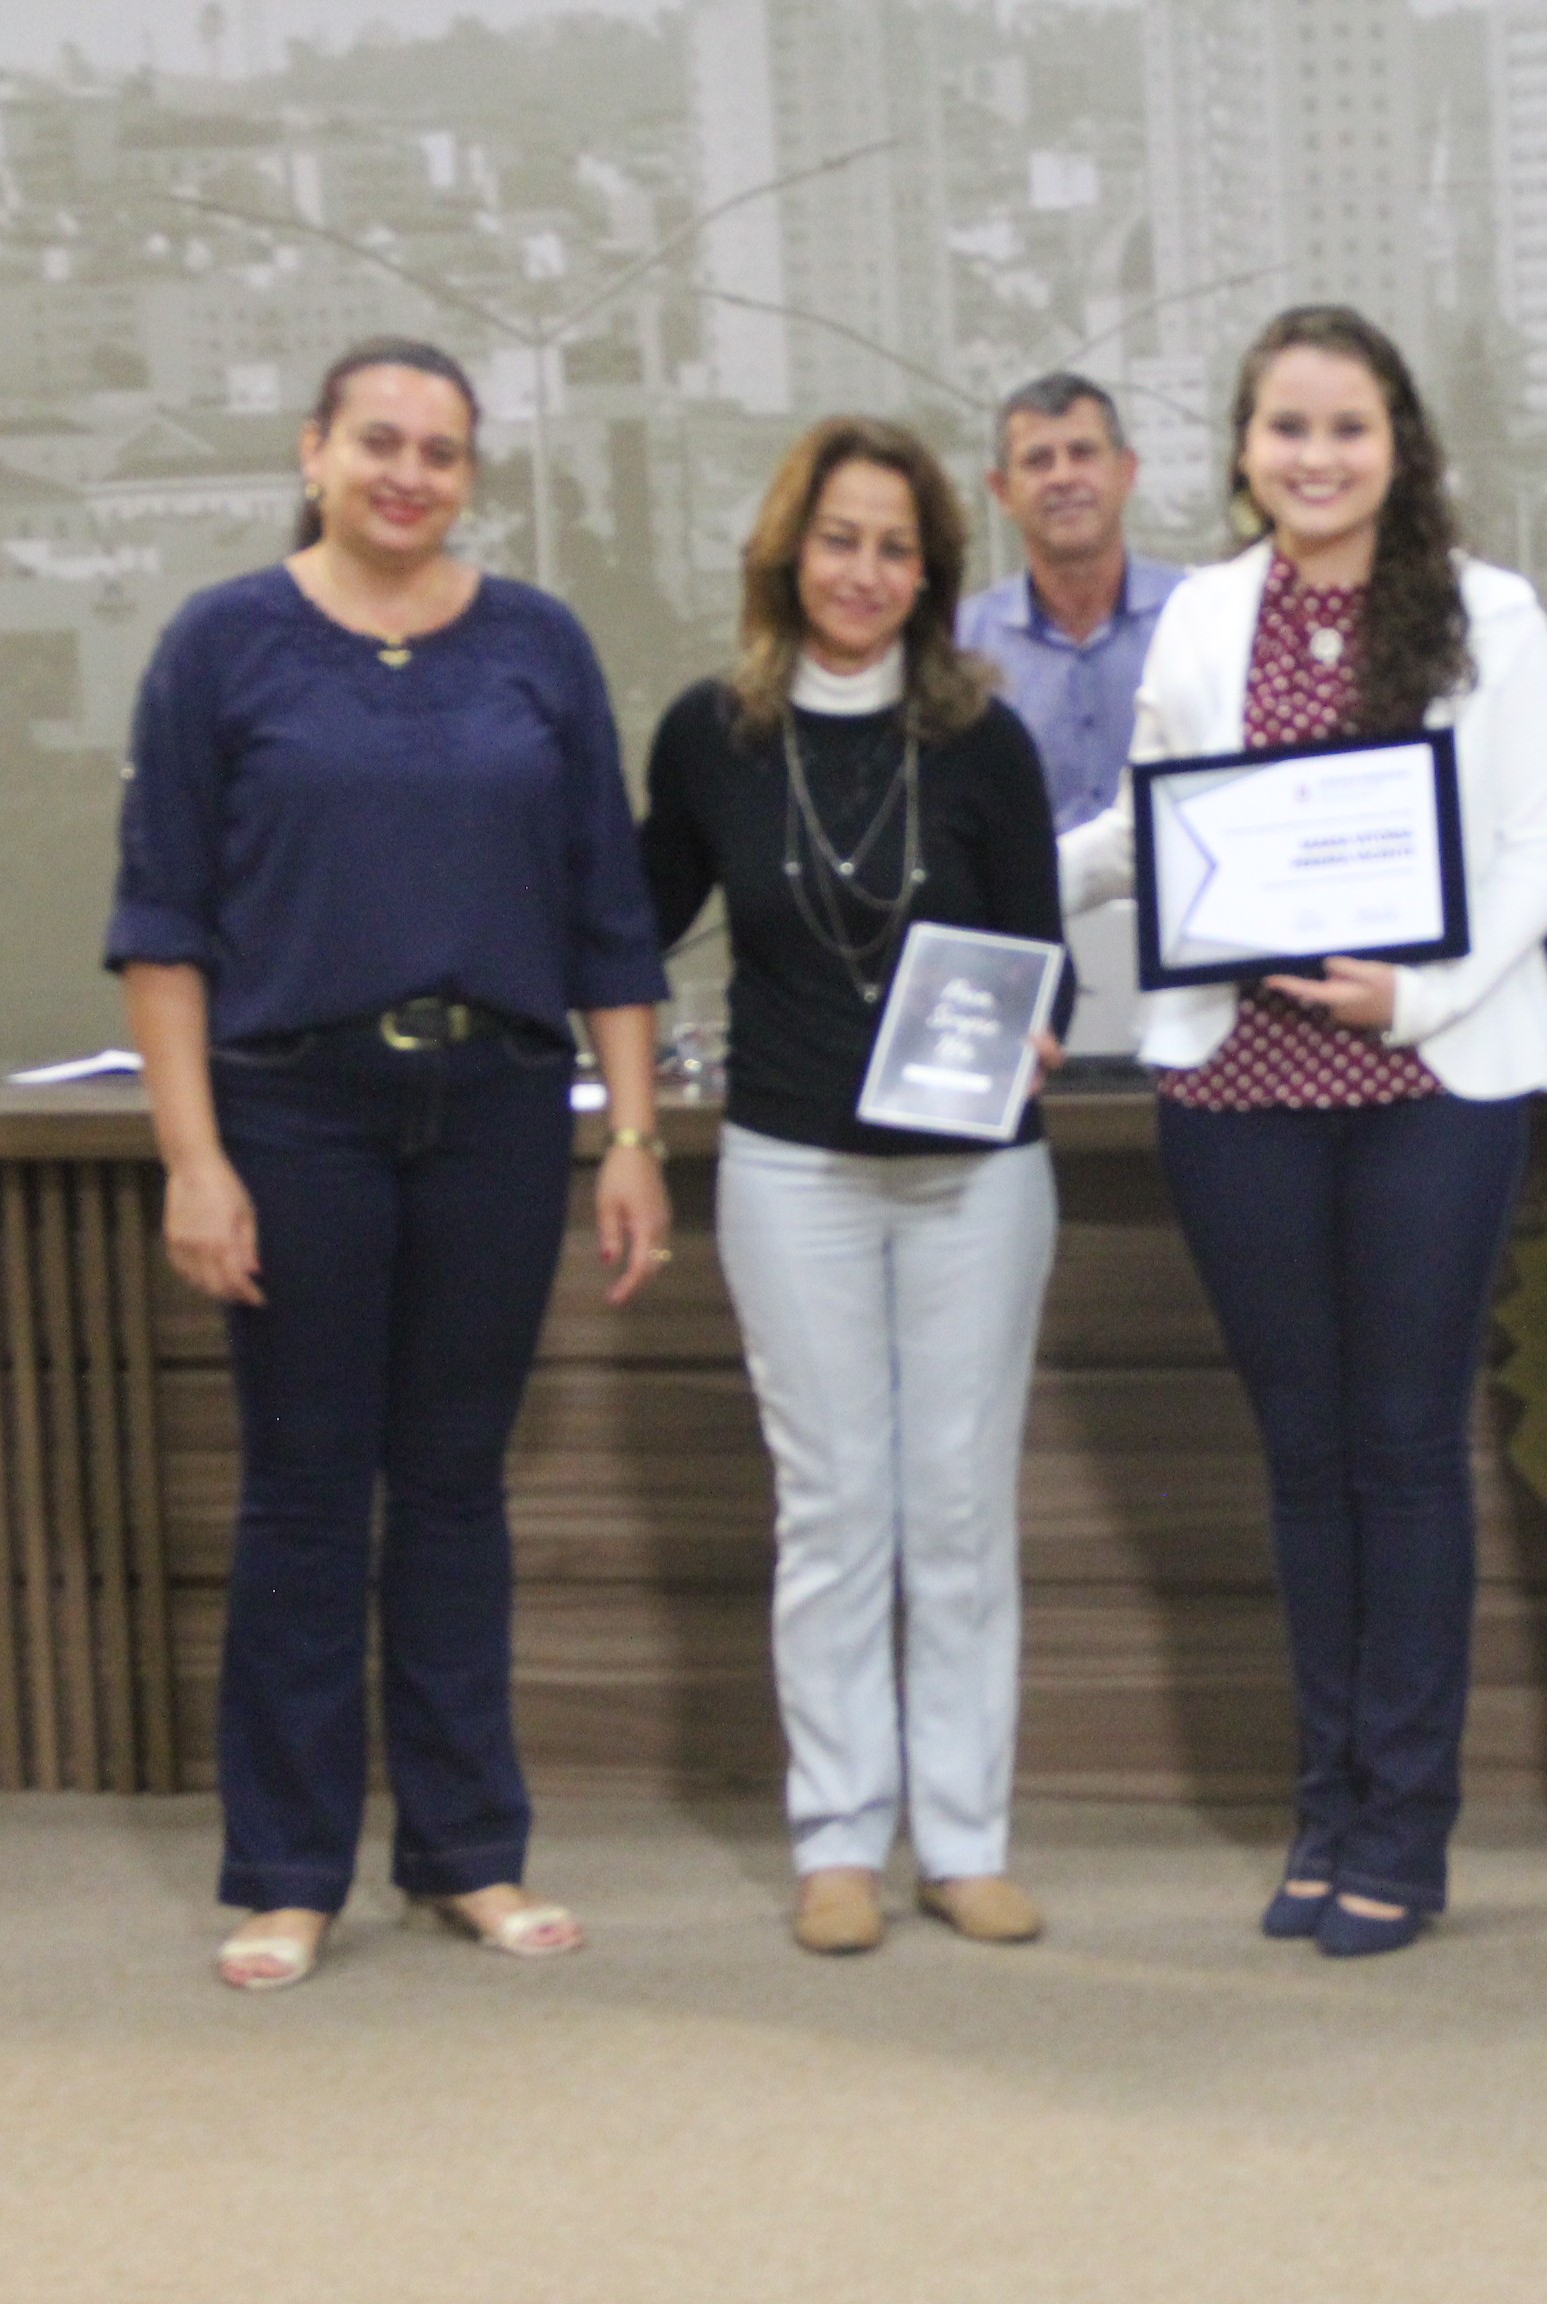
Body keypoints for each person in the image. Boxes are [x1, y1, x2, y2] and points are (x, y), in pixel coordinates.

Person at [106, 337, 675, 1993]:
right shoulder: (223, 643)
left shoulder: (538, 645)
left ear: (469, 472)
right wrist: (193, 1159)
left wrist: (628, 1133)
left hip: (496, 1110)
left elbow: (608, 919)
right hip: (294, 1117)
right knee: (300, 1497)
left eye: (441, 449)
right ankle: (288, 1870)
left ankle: (467, 1852)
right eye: (379, 442)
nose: (410, 474)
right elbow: (162, 926)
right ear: (314, 450)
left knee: (451, 1494)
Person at [1060, 305, 1547, 1957]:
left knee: (1405, 1455)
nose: (1315, 457)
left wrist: (1413, 998)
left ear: (1398, 444)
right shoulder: (1206, 617)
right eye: (1285, 427)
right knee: (1304, 1461)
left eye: (1347, 428)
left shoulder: (1490, 611)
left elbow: (1544, 845)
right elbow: (1158, 828)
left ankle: (1403, 1828)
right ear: (1241, 448)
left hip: (1431, 1080)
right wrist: (996, 855)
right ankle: (1326, 1802)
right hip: (1236, 1087)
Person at [640, 417, 1072, 1957]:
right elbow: (632, 917)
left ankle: (962, 1840)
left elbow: (1042, 957)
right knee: (832, 1508)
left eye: (896, 547)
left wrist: (1037, 1037)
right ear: (788, 553)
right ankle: (836, 1840)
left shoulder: (984, 743)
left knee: (957, 1508)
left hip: (974, 1180)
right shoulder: (712, 734)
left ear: (934, 574)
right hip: (792, 1171)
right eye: (840, 539)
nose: (865, 572)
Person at [957, 372, 1187, 832]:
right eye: (1038, 461)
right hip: (1026, 905)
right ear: (1001, 491)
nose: (1063, 477)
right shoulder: (960, 647)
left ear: (1127, 472)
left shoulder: (1194, 620)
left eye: (1082, 453)